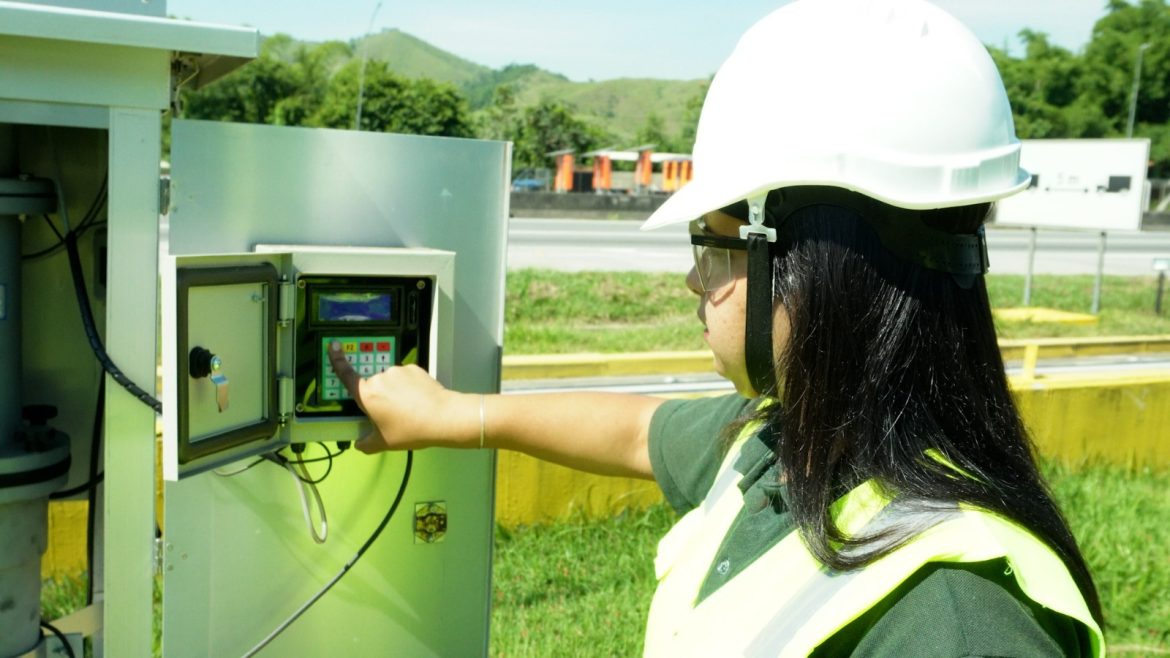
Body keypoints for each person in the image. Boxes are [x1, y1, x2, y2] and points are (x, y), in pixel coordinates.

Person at [329, 0, 1106, 655]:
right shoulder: (786, 443)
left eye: (711, 243)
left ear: (812, 259)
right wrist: (452, 415)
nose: (693, 278)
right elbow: (640, 432)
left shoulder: (953, 621)